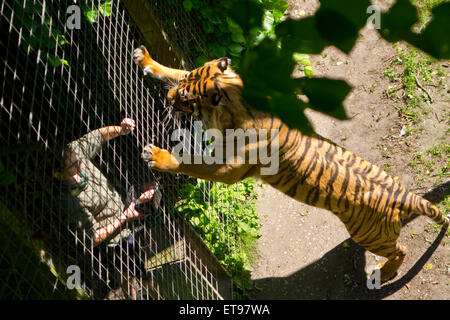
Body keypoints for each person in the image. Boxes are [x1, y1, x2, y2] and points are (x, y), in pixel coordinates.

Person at [55, 118, 156, 246]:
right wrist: (125, 216)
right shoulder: (68, 201)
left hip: (126, 213)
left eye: (78, 160)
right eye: (74, 165)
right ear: (58, 175)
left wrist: (121, 130)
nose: (80, 164)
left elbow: (98, 136)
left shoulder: (73, 153)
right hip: (116, 242)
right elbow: (92, 238)